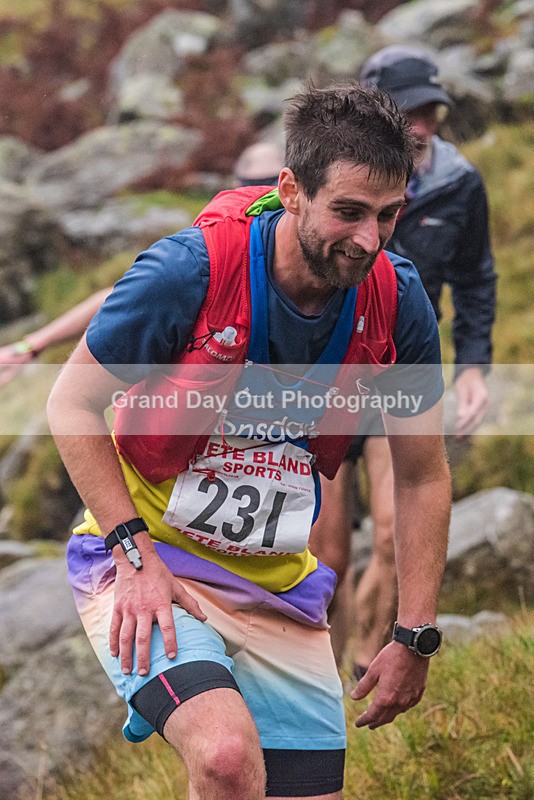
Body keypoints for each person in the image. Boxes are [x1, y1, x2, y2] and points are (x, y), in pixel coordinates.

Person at [47, 82, 451, 800]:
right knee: (228, 759)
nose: (369, 239)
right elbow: (70, 403)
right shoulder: (189, 271)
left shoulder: (398, 299)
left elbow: (421, 475)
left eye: (389, 216)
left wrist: (414, 634)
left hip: (275, 585)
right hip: (149, 562)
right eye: (349, 213)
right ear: (291, 190)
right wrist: (134, 555)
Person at [309, 45, 496, 677]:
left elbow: (475, 280)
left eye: (431, 114)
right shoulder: (331, 179)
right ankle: (315, 675)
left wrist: (474, 367)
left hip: (401, 375)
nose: (420, 128)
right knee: (325, 552)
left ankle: (369, 662)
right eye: (407, 113)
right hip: (325, 380)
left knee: (393, 534)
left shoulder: (459, 183)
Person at [0, 142, 284, 390]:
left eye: (270, 185)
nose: (262, 196)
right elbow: (124, 300)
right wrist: (31, 345)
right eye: (253, 185)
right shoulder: (205, 250)